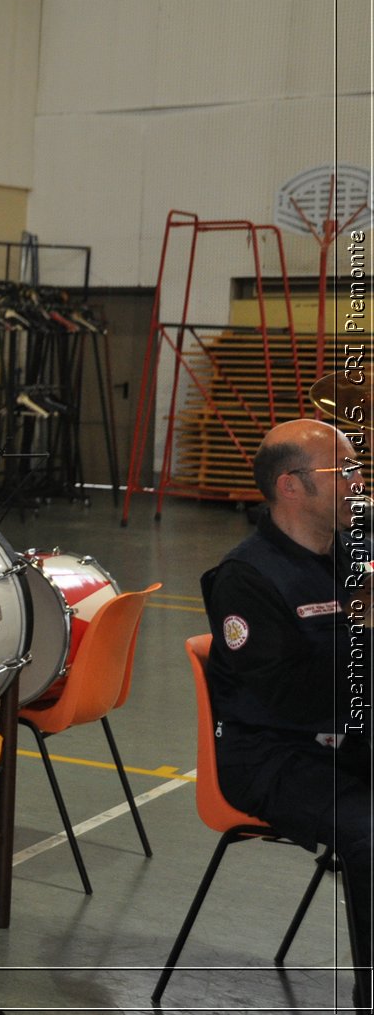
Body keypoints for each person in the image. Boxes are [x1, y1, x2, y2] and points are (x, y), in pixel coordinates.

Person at [202, 417, 370, 1008]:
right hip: (273, 753)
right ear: (292, 486)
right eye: (343, 470)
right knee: (370, 832)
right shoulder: (246, 579)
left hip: (348, 739)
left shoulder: (357, 553)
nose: (358, 481)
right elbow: (289, 696)